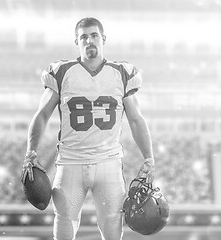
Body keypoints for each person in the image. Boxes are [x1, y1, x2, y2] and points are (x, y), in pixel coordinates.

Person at [21, 17, 156, 240]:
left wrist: (149, 158)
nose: (89, 41)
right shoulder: (62, 71)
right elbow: (42, 114)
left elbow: (136, 120)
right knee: (64, 225)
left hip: (109, 161)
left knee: (113, 227)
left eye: (94, 35)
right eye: (83, 37)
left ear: (103, 39)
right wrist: (31, 151)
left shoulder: (121, 73)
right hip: (70, 162)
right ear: (76, 41)